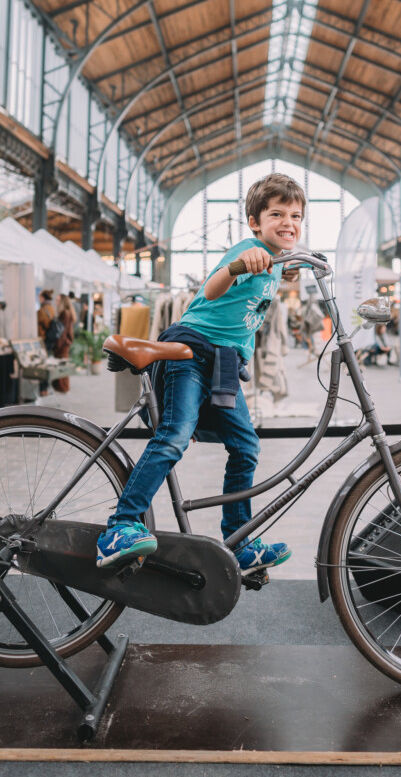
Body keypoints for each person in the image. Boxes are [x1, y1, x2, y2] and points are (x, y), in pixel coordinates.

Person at [96, 173, 305, 574]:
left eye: (295, 216)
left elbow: (273, 270)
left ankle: (239, 540)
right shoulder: (249, 250)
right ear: (254, 222)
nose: (288, 222)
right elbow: (212, 289)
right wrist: (241, 264)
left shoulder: (275, 260)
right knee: (174, 435)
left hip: (224, 361)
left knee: (246, 446)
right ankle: (121, 525)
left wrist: (290, 266)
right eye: (276, 213)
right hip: (191, 349)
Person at [52, 293, 76, 393]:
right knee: (63, 364)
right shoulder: (68, 312)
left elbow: (62, 332)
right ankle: (63, 386)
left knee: (61, 366)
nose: (56, 302)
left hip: (63, 344)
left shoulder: (64, 313)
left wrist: (58, 345)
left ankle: (63, 387)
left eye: (58, 300)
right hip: (66, 342)